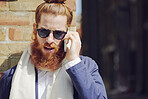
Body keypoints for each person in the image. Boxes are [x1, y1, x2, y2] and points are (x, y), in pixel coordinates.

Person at [0, 0, 107, 99]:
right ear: (35, 29)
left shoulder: (86, 67)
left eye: (58, 33)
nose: (50, 39)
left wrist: (74, 62)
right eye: (44, 32)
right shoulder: (12, 77)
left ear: (67, 34)